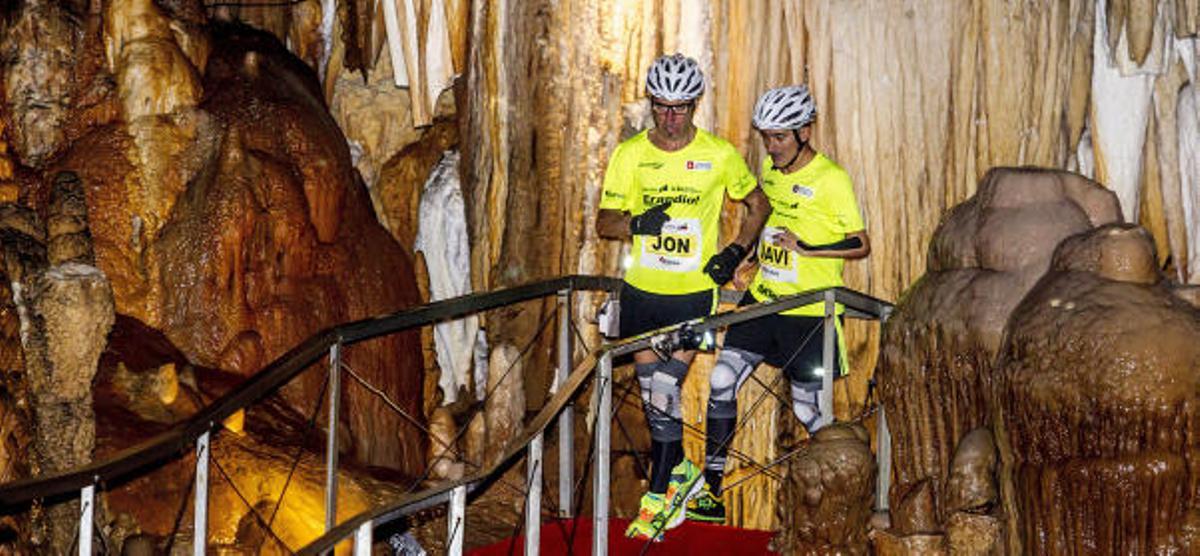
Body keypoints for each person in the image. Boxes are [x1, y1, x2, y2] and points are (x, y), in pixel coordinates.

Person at [596, 53, 770, 541]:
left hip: (691, 294)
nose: (671, 117)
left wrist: (737, 249)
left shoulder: (718, 154)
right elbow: (604, 221)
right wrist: (636, 224)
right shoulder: (630, 154)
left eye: (680, 107)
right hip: (643, 294)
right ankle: (683, 476)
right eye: (662, 106)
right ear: (651, 104)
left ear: (695, 105)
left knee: (663, 391)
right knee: (657, 400)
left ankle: (658, 499)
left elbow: (759, 203)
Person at [687, 85, 870, 524]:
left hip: (808, 314)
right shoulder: (770, 169)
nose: (772, 146)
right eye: (766, 137)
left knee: (810, 411)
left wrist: (808, 248)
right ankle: (711, 489)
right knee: (721, 381)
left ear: (805, 132)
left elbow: (861, 244)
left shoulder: (832, 179)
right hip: (763, 301)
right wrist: (749, 259)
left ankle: (843, 497)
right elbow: (772, 219)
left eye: (781, 137)